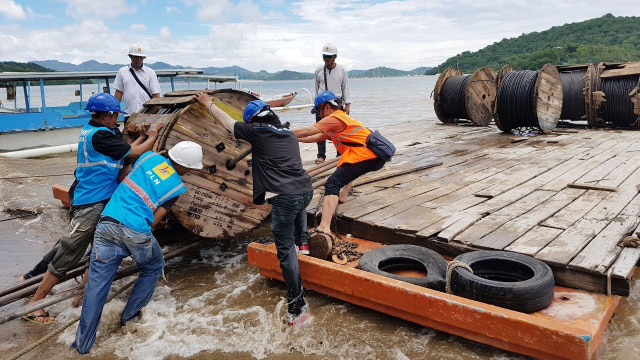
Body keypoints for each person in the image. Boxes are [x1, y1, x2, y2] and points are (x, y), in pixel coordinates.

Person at [22, 93, 162, 324]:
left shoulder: (97, 131)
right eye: (115, 115)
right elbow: (134, 153)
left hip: (98, 198)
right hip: (91, 202)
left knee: (98, 249)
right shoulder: (100, 137)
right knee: (70, 251)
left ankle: (80, 300)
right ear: (106, 115)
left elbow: (124, 150)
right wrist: (153, 136)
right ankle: (35, 305)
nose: (117, 119)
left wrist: (142, 136)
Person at [193, 93, 314, 326]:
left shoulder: (257, 132)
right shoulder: (288, 134)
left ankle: (298, 309)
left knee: (284, 251)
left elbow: (228, 123)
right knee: (297, 208)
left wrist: (208, 104)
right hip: (305, 191)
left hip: (285, 199)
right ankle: (304, 243)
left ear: (254, 123)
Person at [71, 141, 203, 354]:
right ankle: (129, 318)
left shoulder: (147, 157)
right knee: (152, 266)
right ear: (186, 167)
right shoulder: (177, 187)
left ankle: (81, 345)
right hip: (136, 231)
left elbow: (123, 178)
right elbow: (153, 222)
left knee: (96, 287)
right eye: (190, 168)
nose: (189, 171)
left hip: (106, 224)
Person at [292, 91, 385, 238]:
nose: (319, 115)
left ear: (327, 107)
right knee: (347, 170)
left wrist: (280, 132)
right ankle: (343, 195)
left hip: (366, 156)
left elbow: (307, 130)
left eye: (319, 111)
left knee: (332, 183)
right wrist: (295, 139)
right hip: (373, 156)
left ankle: (324, 227)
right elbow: (315, 136)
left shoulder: (334, 118)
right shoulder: (342, 119)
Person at [313, 42, 351, 165]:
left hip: (336, 103)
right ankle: (321, 155)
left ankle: (339, 153)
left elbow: (345, 87)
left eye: (329, 56)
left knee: (338, 130)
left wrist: (347, 104)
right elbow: (316, 88)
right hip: (322, 104)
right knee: (320, 129)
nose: (327, 59)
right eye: (325, 56)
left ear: (335, 56)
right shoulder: (319, 70)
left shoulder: (341, 70)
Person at [113, 44, 161, 120]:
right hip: (129, 114)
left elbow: (155, 95)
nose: (138, 60)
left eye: (141, 57)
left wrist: (157, 113)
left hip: (147, 114)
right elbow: (118, 92)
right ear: (130, 56)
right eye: (136, 57)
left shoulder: (150, 73)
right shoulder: (122, 72)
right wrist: (114, 112)